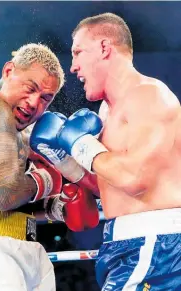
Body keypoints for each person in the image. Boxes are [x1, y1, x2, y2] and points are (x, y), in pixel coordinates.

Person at [30, 13, 181, 290]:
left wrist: (79, 144)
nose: (73, 66)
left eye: (78, 52)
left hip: (156, 244)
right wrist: (64, 161)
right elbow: (109, 185)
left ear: (104, 47)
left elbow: (135, 179)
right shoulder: (108, 111)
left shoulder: (149, 96)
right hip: (129, 243)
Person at [0, 43, 99, 291]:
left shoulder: (24, 135)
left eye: (46, 98)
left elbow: (7, 198)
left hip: (21, 245)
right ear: (8, 71)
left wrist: (55, 207)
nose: (34, 102)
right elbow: (3, 194)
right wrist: (50, 179)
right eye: (30, 88)